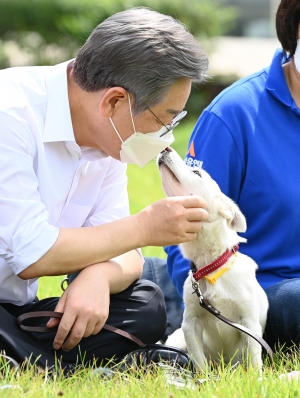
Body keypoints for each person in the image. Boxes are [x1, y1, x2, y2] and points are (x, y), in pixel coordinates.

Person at [0, 7, 209, 367]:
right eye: (163, 119)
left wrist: (99, 274)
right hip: (10, 305)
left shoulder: (108, 142)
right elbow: (33, 254)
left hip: (16, 308)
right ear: (114, 101)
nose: (166, 137)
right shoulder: (10, 114)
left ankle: (27, 357)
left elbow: (125, 253)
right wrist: (144, 228)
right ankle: (41, 360)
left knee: (145, 304)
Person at [164, 0, 300, 351]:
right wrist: (209, 323)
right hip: (262, 294)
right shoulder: (234, 115)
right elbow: (184, 224)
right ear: (294, 29)